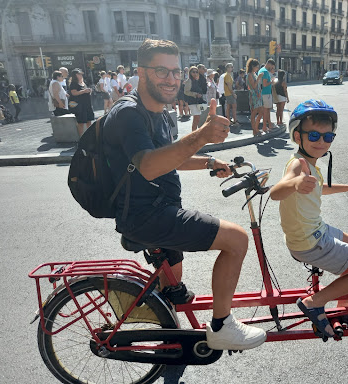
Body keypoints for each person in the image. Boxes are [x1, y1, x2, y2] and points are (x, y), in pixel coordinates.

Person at [102, 38, 266, 351]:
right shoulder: (129, 113)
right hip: (148, 216)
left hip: (160, 209)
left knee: (171, 288)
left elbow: (169, 157)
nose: (171, 79)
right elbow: (148, 166)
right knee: (237, 240)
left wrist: (209, 161)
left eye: (176, 72)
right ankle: (222, 327)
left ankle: (168, 338)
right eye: (161, 71)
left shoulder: (161, 113)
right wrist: (202, 135)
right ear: (142, 72)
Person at [270, 99, 348, 338]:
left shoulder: (311, 164)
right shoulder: (299, 166)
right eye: (313, 136)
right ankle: (313, 302)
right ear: (297, 136)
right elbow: (276, 192)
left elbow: (321, 187)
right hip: (310, 241)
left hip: (314, 232)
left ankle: (343, 305)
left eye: (327, 137)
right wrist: (295, 183)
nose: (321, 142)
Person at [68, 68, 94, 136]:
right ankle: (81, 137)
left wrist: (89, 91)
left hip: (87, 104)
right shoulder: (74, 83)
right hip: (80, 106)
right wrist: (84, 91)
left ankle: (89, 136)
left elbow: (84, 92)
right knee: (81, 122)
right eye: (79, 74)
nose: (81, 75)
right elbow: (74, 93)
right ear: (75, 75)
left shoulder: (83, 83)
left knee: (89, 120)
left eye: (81, 74)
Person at [184, 66, 207, 131]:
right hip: (192, 101)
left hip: (197, 101)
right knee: (196, 117)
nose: (195, 73)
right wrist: (195, 94)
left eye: (196, 72)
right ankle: (193, 134)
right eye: (193, 72)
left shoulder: (196, 80)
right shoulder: (189, 80)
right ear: (190, 73)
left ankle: (194, 132)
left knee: (197, 118)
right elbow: (186, 91)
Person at [258, 58, 276, 132]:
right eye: (272, 67)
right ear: (269, 64)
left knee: (267, 110)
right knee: (266, 111)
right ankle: (265, 126)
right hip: (265, 93)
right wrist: (271, 82)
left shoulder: (262, 70)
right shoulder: (265, 72)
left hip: (264, 93)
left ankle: (269, 125)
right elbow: (265, 84)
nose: (272, 68)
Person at [246, 58, 263, 136]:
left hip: (258, 95)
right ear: (252, 66)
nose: (257, 68)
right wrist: (259, 78)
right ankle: (255, 130)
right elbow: (253, 86)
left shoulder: (254, 74)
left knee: (260, 112)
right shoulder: (250, 75)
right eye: (256, 67)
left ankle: (256, 129)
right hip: (254, 96)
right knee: (254, 113)